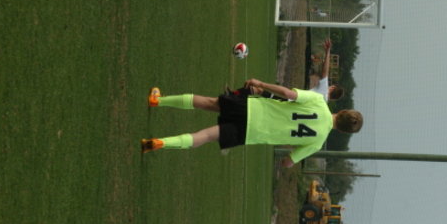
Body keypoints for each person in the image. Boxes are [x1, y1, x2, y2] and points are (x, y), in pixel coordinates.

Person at [141, 81, 363, 167]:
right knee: (207, 136)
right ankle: (160, 143)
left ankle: (157, 100)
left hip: (252, 108)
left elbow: (288, 94)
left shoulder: (319, 102)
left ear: (342, 111)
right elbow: (287, 162)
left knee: (209, 103)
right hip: (252, 133)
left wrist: (260, 84)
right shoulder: (317, 142)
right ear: (343, 131)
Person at [228, 38, 343, 102]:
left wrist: (327, 52)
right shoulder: (323, 104)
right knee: (259, 91)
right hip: (289, 107)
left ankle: (231, 97)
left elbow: (324, 72)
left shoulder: (324, 91)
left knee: (258, 91)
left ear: (332, 88)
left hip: (287, 100)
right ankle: (232, 95)